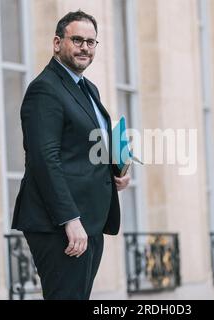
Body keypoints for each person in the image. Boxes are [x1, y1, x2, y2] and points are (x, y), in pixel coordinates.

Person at [11, 10, 130, 300]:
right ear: (57, 43)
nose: (85, 48)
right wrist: (69, 219)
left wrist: (113, 171)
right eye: (77, 40)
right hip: (61, 225)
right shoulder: (45, 89)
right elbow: (44, 160)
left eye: (91, 42)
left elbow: (80, 149)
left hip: (90, 222)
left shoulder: (89, 89)